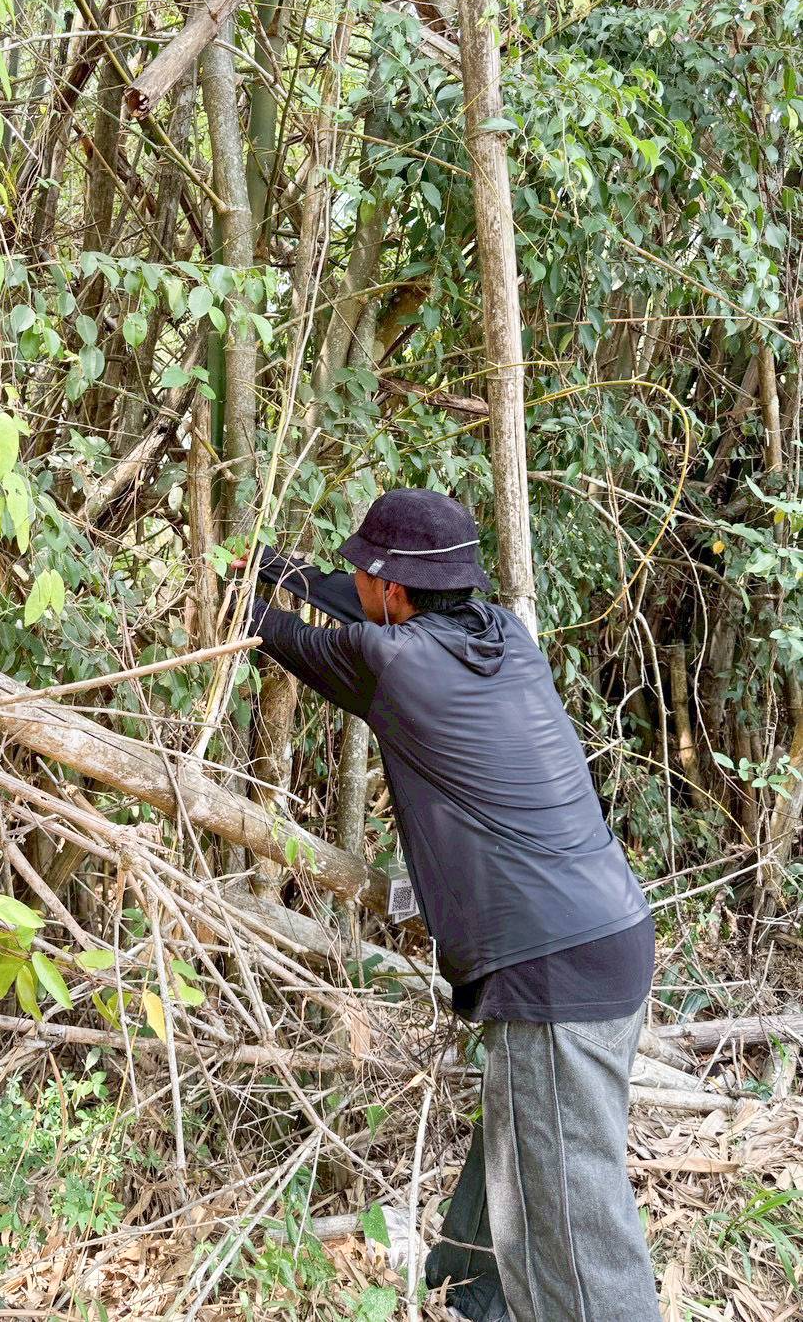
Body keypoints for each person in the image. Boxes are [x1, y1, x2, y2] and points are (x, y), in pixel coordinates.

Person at [237, 489, 660, 1322]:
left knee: (577, 1236)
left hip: (551, 970)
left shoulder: (395, 666)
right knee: (526, 1154)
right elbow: (336, 597)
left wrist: (240, 587)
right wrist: (280, 566)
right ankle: (473, 1296)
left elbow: (281, 631)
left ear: (395, 595)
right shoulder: (507, 636)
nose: (353, 578)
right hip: (611, 933)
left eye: (367, 571)